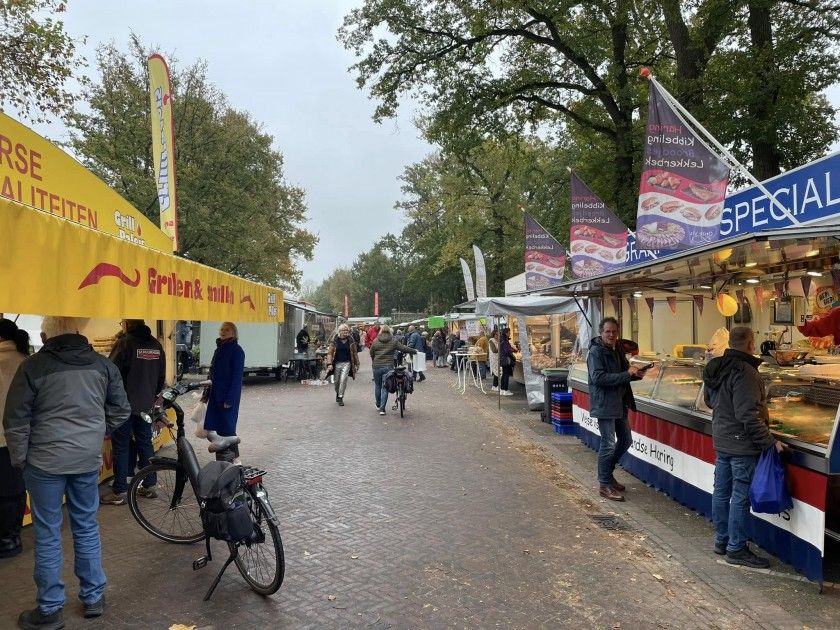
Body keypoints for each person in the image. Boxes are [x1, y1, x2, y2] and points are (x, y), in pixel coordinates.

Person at [3, 316, 131, 627]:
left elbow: (16, 420)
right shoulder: (103, 366)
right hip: (86, 461)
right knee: (86, 526)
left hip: (43, 463)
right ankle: (93, 596)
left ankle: (49, 610)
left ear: (46, 335)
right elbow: (121, 410)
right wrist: (95, 434)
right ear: (76, 332)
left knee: (48, 534)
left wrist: (21, 460)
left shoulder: (33, 367)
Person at [703, 326, 782, 568]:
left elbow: (709, 401)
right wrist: (769, 442)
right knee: (739, 496)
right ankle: (736, 548)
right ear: (751, 343)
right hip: (741, 444)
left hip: (722, 438)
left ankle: (722, 540)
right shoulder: (746, 372)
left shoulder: (716, 366)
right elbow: (748, 415)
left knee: (721, 492)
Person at [101, 319, 166, 505]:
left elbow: (109, 373)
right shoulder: (156, 345)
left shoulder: (124, 344)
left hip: (123, 406)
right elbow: (161, 377)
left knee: (121, 446)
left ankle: (120, 490)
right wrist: (150, 395)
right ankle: (149, 485)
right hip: (145, 404)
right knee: (145, 443)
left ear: (127, 324)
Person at [586, 317, 647, 502]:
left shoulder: (618, 348)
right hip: (605, 403)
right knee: (608, 444)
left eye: (614, 332)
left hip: (620, 402)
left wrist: (636, 375)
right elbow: (598, 378)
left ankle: (608, 474)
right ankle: (604, 485)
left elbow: (624, 372)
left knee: (626, 440)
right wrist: (626, 374)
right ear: (601, 333)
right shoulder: (595, 352)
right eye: (608, 332)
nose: (611, 335)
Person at [0, 319, 30, 559]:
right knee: (15, 488)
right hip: (20, 436)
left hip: (2, 436)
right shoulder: (26, 361)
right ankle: (11, 538)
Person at [202, 322, 246, 463]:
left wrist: (230, 399)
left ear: (233, 333)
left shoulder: (237, 351)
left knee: (227, 430)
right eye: (222, 329)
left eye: (227, 330)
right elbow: (212, 373)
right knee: (217, 430)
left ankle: (235, 460)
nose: (223, 332)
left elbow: (237, 378)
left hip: (227, 397)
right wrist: (206, 394)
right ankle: (223, 462)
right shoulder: (220, 349)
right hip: (216, 395)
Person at [369, 325, 415, 416]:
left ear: (381, 331)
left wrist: (374, 360)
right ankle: (382, 409)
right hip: (388, 366)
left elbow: (371, 352)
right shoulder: (393, 341)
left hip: (377, 366)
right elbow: (403, 348)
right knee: (385, 387)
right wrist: (414, 351)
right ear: (390, 331)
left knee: (377, 386)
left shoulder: (375, 340)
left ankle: (378, 404)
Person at [326, 324, 360, 407]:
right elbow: (330, 353)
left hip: (347, 363)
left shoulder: (350, 340)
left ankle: (341, 397)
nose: (346, 332)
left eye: (347, 330)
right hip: (337, 363)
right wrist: (329, 363)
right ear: (340, 331)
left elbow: (354, 353)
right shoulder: (335, 340)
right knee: (336, 381)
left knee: (343, 380)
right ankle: (338, 393)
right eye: (344, 330)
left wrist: (357, 363)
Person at [498, 328, 517, 397]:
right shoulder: (504, 340)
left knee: (504, 374)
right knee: (506, 374)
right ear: (506, 333)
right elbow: (506, 350)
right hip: (506, 359)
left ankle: (502, 389)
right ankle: (505, 390)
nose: (510, 334)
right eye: (509, 332)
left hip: (502, 359)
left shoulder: (501, 339)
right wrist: (513, 350)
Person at [488, 327, 500, 391]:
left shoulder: (498, 340)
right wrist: (501, 349)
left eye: (498, 334)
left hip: (498, 358)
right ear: (493, 334)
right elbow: (494, 350)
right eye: (496, 334)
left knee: (498, 372)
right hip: (494, 358)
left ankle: (496, 385)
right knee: (496, 372)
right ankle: (494, 386)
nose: (497, 336)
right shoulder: (491, 340)